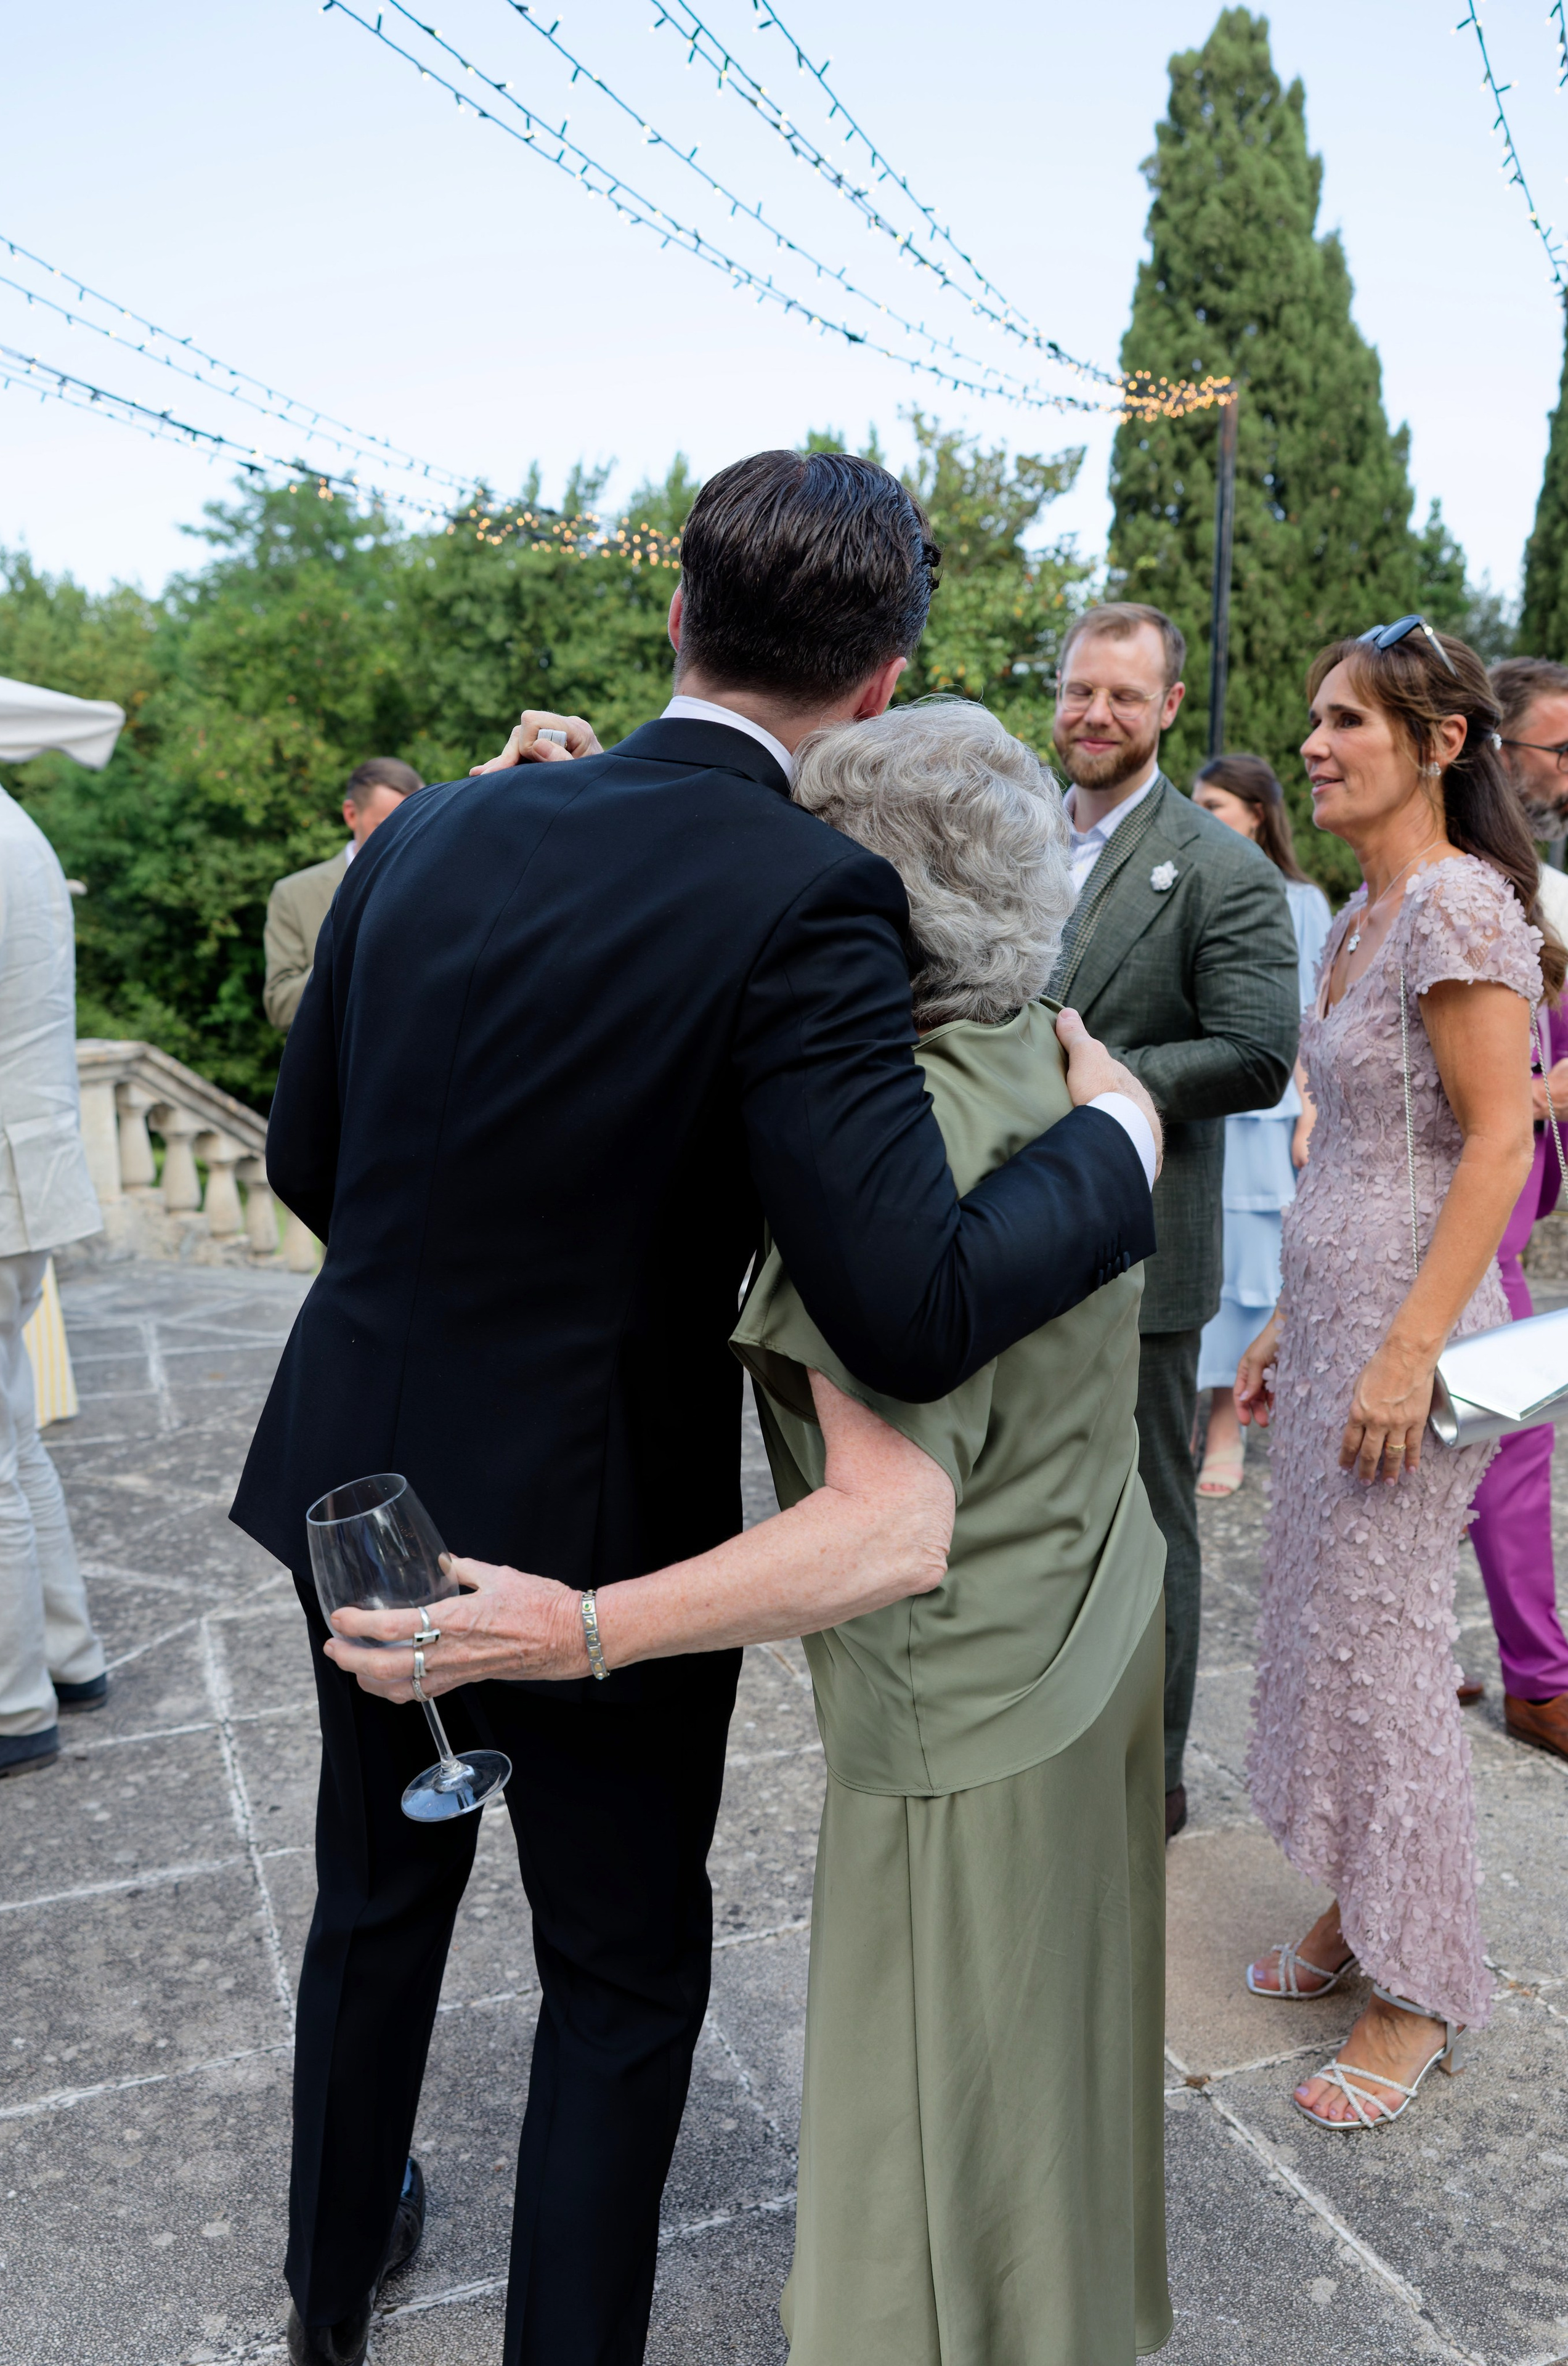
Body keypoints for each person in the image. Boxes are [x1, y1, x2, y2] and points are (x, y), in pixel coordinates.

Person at [230, 450, 1161, 2366]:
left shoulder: (428, 834)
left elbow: (308, 1159)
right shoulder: (813, 892)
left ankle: (327, 2291)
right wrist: (1114, 1144)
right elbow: (907, 1303)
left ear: (673, 617)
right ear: (887, 675)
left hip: (358, 1458)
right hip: (595, 1511)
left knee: (371, 1895)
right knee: (623, 1974)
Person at [1236, 617, 1558, 2128]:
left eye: (1346, 720)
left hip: (1410, 1331)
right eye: (1310, 718)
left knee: (1384, 1646)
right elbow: (1362, 1141)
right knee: (1321, 1625)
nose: (1313, 743)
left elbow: (1496, 1141)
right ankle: (1362, 1897)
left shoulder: (1453, 908)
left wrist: (1402, 1348)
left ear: (1437, 744)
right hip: (1335, 1306)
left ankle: (1420, 1982)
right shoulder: (1360, 911)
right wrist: (1281, 1323)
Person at [1047, 603, 1301, 1839]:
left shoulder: (1218, 867)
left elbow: (1256, 1056)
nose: (1093, 715)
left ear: (1165, 709)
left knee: (1148, 1520)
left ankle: (1146, 1778)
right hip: (1012, 1243)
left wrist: (1099, 1074)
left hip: (1146, 1247)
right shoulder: (1014, 840)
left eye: (1121, 697)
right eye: (1076, 691)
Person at [0, 768, 108, 1779]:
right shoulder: (14, 824)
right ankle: (68, 1658)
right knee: (10, 1433)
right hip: (15, 1178)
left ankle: (11, 1706)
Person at [1461, 657, 1568, 1760]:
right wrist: (1540, 1095)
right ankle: (1537, 1680)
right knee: (1511, 1430)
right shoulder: (1477, 893)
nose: (1567, 773)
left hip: (1517, 1208)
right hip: (1468, 1210)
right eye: (1558, 750)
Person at [1190, 756, 1331, 1498]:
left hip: (1264, 1110)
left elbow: (1315, 1017)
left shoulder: (1301, 899)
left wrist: (1309, 1113)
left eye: (1214, 804)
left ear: (1255, 813)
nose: (1200, 815)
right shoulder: (1181, 879)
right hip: (1191, 1100)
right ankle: (1194, 1403)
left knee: (1247, 1270)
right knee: (1188, 1254)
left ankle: (1224, 1423)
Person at [262, 757, 424, 1030]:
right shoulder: (293, 894)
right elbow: (281, 1008)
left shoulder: (433, 887)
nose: (402, 840)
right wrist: (349, 949)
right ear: (351, 815)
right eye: (387, 827)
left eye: (415, 827)